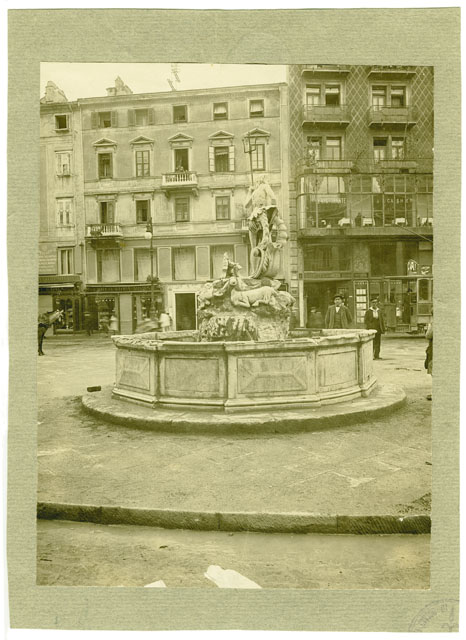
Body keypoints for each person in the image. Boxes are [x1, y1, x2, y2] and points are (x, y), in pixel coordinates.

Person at [425, 313, 433, 400]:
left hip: (434, 350)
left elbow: (428, 335)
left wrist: (430, 326)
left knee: (433, 370)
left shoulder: (434, 324)